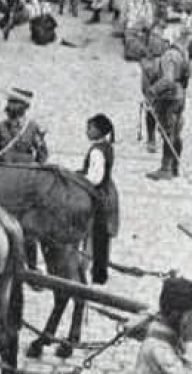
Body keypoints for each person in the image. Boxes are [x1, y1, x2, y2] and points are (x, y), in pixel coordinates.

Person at [143, 25, 190, 180]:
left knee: (167, 132)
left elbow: (168, 79)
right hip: (180, 95)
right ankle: (175, 166)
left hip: (168, 97)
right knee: (176, 131)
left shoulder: (169, 56)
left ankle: (166, 168)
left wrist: (153, 90)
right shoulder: (183, 52)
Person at [80, 113, 118, 284]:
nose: (87, 131)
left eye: (90, 128)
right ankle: (100, 272)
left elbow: (95, 177)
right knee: (102, 237)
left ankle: (97, 273)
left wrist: (80, 179)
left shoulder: (96, 151)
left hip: (99, 195)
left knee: (98, 234)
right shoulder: (106, 146)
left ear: (98, 131)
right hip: (107, 190)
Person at [133, 277, 192, 373]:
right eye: (191, 315)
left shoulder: (166, 336)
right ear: (176, 315)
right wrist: (191, 343)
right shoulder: (160, 348)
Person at [0, 87, 48, 163]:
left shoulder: (32, 127)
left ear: (25, 106)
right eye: (10, 102)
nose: (10, 105)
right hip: (3, 168)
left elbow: (42, 152)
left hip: (26, 169)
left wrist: (37, 169)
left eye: (15, 102)